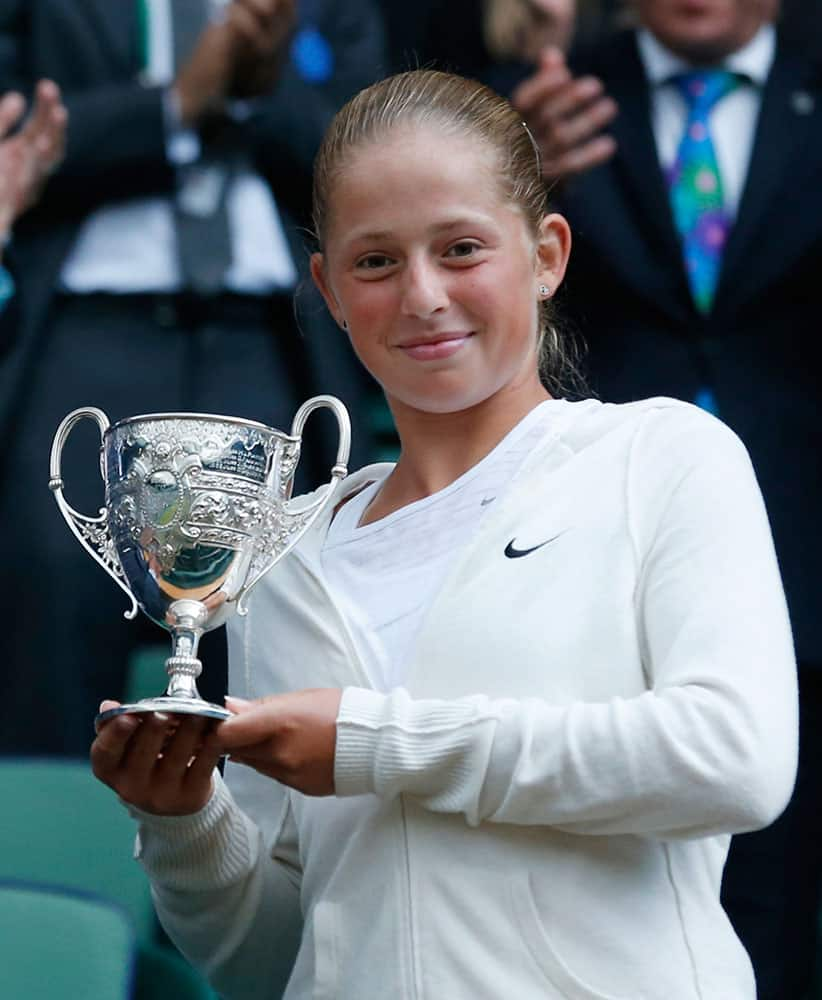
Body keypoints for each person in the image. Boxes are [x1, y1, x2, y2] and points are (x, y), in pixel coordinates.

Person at [91, 69, 797, 999]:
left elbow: (735, 760)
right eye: (376, 262)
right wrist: (184, 826)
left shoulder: (663, 455)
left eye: (461, 249)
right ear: (328, 288)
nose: (422, 295)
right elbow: (275, 959)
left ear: (546, 254)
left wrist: (375, 743)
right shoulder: (282, 558)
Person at [512, 2, 822, 994]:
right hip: (595, 550)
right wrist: (516, 179)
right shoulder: (554, 92)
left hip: (802, 537)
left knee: (776, 881)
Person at [0, 0, 386, 756]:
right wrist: (175, 105)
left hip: (269, 337)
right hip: (85, 332)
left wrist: (251, 91)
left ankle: (256, 856)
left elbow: (373, 154)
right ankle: (48, 863)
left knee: (276, 606)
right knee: (53, 595)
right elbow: (13, 140)